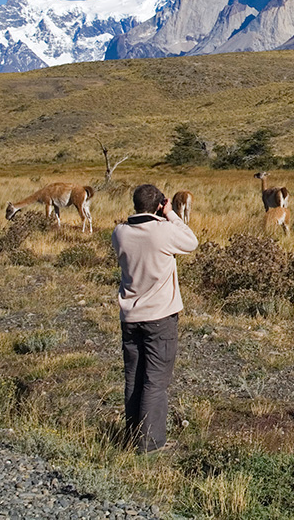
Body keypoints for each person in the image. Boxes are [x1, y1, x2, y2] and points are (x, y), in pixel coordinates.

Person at [112, 183, 199, 453]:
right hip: (159, 317)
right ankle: (150, 444)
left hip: (130, 316)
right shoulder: (163, 232)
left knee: (134, 377)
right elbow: (191, 241)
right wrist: (171, 214)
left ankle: (132, 436)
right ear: (159, 204)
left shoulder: (120, 232)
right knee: (156, 381)